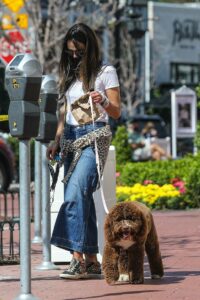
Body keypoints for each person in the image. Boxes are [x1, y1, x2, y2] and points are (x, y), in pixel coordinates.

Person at [46, 23, 121, 280]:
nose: (74, 56)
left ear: (89, 48)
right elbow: (64, 112)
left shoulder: (105, 71)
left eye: (78, 52)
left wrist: (103, 100)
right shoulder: (69, 75)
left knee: (75, 191)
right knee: (83, 198)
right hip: (70, 138)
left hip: (95, 137)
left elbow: (117, 111)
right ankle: (91, 260)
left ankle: (75, 258)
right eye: (70, 52)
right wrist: (56, 140)